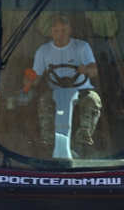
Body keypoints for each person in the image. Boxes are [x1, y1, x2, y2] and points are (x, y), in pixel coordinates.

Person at [23, 15, 103, 155]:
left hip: (82, 90)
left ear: (70, 30)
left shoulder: (82, 47)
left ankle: (83, 140)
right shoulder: (43, 51)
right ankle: (48, 142)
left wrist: (86, 69)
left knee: (92, 100)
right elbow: (36, 75)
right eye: (56, 31)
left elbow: (94, 70)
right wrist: (29, 80)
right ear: (51, 32)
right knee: (44, 100)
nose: (60, 34)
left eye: (64, 30)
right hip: (55, 91)